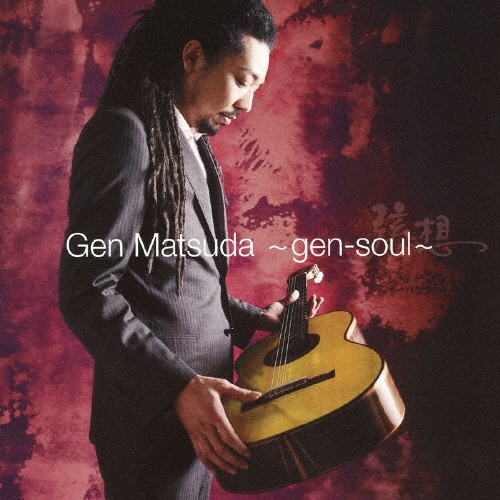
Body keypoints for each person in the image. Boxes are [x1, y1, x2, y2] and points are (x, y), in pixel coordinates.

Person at [59, 1, 322, 498]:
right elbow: (87, 291)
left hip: (201, 416)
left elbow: (172, 283)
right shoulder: (126, 134)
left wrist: (257, 320)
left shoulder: (191, 144)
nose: (248, 104)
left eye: (256, 88)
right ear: (193, 57)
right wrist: (177, 387)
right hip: (152, 422)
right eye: (242, 80)